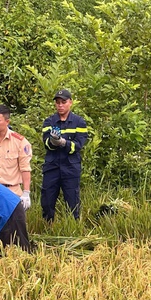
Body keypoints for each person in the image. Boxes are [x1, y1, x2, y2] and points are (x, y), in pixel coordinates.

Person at [41, 89, 88, 222]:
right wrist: (52, 141)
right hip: (52, 167)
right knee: (47, 200)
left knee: (72, 201)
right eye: (58, 102)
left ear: (70, 103)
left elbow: (78, 146)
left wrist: (63, 142)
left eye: (63, 102)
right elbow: (47, 145)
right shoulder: (49, 122)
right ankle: (47, 227)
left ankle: (73, 228)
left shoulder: (79, 122)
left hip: (71, 167)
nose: (60, 105)